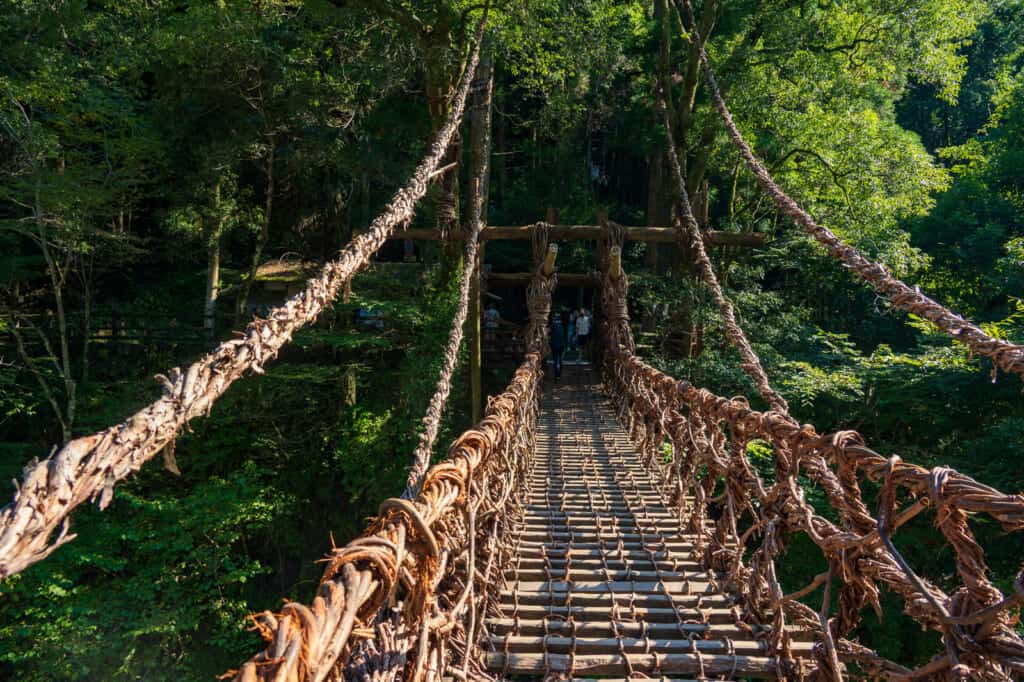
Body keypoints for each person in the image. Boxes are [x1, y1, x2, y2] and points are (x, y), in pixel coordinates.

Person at [550, 314, 566, 381]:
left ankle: (556, 375)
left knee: (555, 360)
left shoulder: (552, 326)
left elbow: (548, 333)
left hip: (554, 345)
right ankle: (559, 374)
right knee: (560, 359)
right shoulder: (562, 326)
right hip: (561, 345)